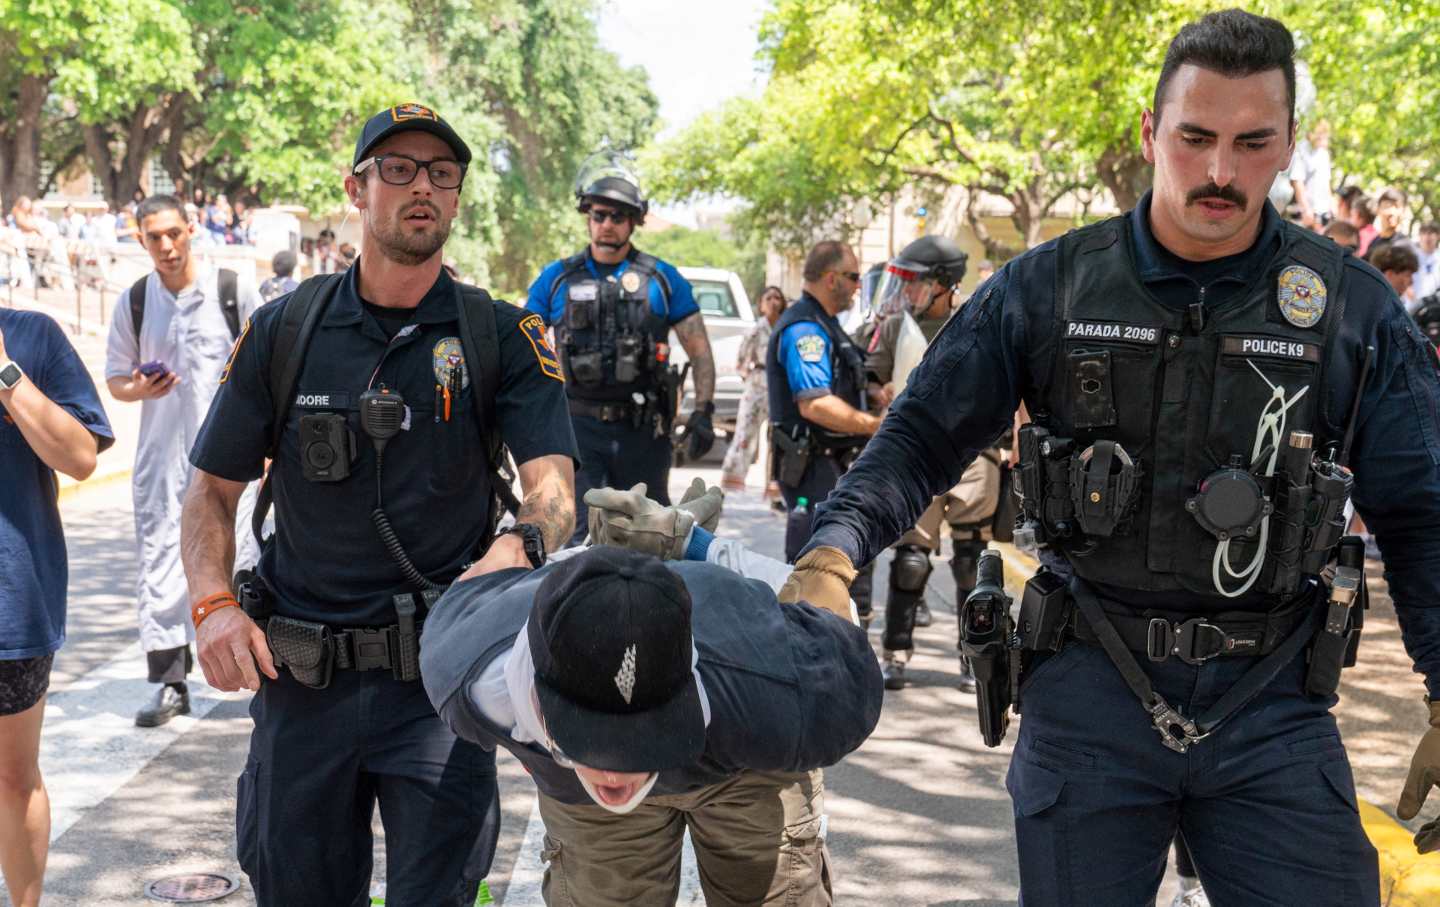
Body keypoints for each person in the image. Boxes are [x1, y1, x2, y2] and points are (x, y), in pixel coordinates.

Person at [783, 11, 1440, 903]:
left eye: (1252, 143)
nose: (1219, 171)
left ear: (1287, 145)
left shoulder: (1348, 310)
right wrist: (833, 549)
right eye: (1195, 137)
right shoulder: (1048, 287)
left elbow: (1422, 511)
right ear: (1149, 133)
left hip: (1275, 705)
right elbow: (921, 437)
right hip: (1090, 688)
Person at [179, 103, 580, 905]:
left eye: (441, 173)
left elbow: (556, 491)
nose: (421, 186)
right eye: (397, 169)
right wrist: (213, 605)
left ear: (459, 198)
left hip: (438, 687)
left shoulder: (502, 335)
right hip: (300, 684)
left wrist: (517, 547)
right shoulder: (283, 329)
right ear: (356, 189)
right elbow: (212, 494)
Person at [420, 484, 881, 907]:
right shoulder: (473, 677)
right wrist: (571, 554)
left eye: (643, 737)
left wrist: (696, 545)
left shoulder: (783, 687)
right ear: (534, 699)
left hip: (742, 758)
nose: (614, 774)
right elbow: (490, 573)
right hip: (585, 800)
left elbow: (826, 604)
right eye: (585, 738)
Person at [104, 195, 264, 727]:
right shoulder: (134, 300)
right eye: (154, 237)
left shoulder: (231, 289)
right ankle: (171, 681)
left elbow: (269, 363)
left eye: (174, 233)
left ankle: (257, 671)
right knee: (160, 564)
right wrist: (140, 387)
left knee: (247, 557)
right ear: (141, 239)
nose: (167, 246)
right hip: (163, 460)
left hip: (234, 459)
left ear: (192, 229)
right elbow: (116, 380)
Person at [526, 151, 717, 546]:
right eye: (599, 215)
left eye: (618, 217)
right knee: (579, 535)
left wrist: (703, 411)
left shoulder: (662, 279)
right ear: (587, 217)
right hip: (577, 429)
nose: (607, 225)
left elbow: (699, 350)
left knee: (651, 535)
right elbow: (523, 346)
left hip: (643, 431)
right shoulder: (556, 278)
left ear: (634, 222)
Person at [0, 309, 114, 907]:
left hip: (11, 605)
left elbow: (80, 457)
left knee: (12, 779)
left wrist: (4, 373)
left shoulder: (31, 336)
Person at [862, 236, 1003, 692]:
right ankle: (896, 652)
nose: (908, 292)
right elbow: (871, 374)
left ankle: (972, 657)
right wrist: (878, 393)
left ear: (944, 285)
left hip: (975, 453)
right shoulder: (896, 325)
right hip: (919, 452)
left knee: (970, 561)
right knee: (910, 560)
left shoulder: (982, 320)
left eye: (917, 283)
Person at [766, 240, 880, 626]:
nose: (857, 285)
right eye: (853, 277)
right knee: (814, 581)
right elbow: (814, 403)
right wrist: (874, 425)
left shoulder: (829, 327)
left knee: (845, 576)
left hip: (833, 471)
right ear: (832, 279)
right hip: (815, 471)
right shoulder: (805, 330)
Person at [720, 285, 786, 491]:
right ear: (761, 304)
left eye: (777, 297)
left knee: (779, 438)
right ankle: (729, 485)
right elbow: (741, 362)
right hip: (757, 386)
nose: (774, 302)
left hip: (780, 387)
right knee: (744, 435)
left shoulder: (786, 328)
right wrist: (752, 378)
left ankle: (775, 487)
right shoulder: (756, 330)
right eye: (769, 298)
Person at [1287, 120, 1333, 230]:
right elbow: (1297, 181)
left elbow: (1326, 184)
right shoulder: (1302, 150)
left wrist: (1331, 205)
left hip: (1322, 211)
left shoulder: (1323, 153)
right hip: (1306, 212)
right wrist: (1306, 209)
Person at [1364, 187, 1410, 260]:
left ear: (1403, 211)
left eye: (1396, 206)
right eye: (1386, 206)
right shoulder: (1374, 241)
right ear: (1378, 210)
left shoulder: (1404, 245)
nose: (1391, 212)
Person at [1415, 221, 1440, 300]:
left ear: (1438, 236)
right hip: (1413, 304)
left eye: (1431, 233)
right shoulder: (1411, 257)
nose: (1427, 237)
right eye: (1424, 233)